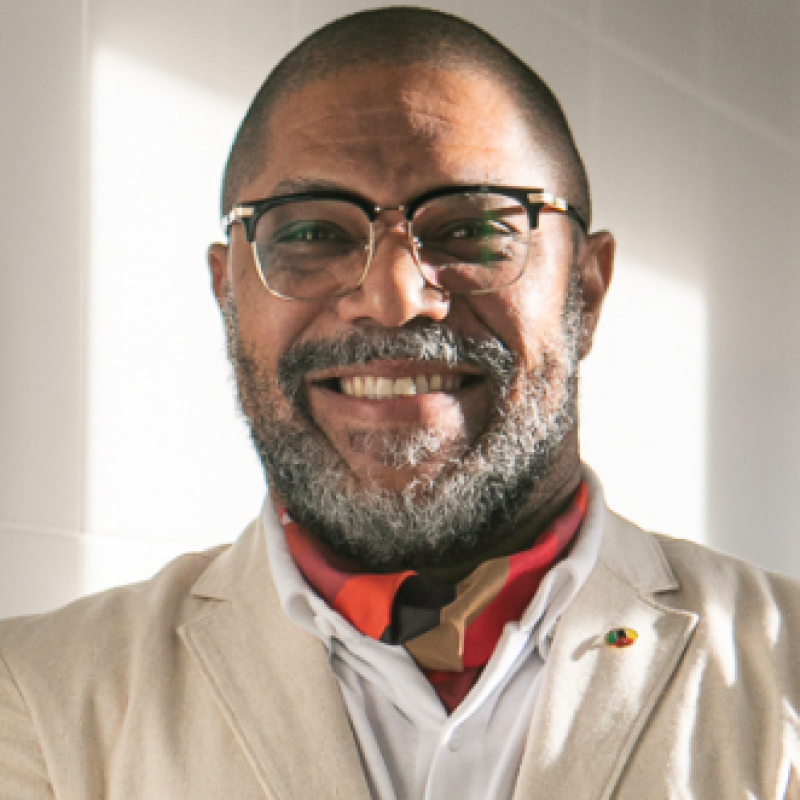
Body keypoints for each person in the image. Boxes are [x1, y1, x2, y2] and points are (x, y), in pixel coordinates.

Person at [1, 7, 798, 799]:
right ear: (227, 295)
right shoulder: (38, 698)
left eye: (473, 230)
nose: (392, 298)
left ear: (585, 291)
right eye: (310, 234)